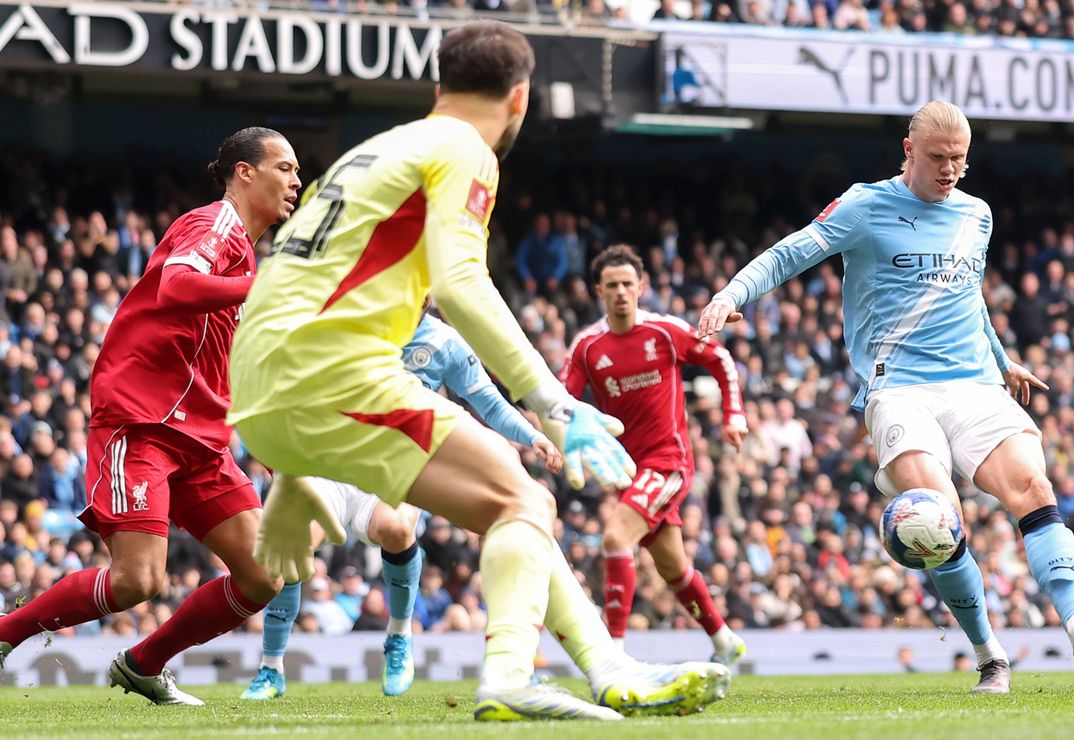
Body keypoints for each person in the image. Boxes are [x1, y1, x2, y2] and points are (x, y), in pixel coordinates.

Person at [227, 21, 728, 722]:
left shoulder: (373, 151)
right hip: (326, 371)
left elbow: (294, 282)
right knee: (524, 505)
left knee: (515, 499)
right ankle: (509, 676)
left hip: (257, 381)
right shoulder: (464, 147)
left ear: (439, 90)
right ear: (519, 99)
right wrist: (552, 404)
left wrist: (288, 470)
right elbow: (459, 280)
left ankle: (610, 667)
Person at [698, 100, 1074, 694]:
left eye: (959, 158)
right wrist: (732, 294)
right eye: (938, 157)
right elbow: (791, 251)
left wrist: (1003, 360)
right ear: (909, 151)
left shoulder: (976, 215)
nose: (950, 169)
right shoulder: (865, 206)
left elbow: (969, 295)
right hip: (901, 391)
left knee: (1034, 488)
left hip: (974, 383)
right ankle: (990, 657)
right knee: (938, 515)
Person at [0, 128, 302, 706]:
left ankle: (143, 664)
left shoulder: (245, 257)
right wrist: (257, 290)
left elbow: (218, 354)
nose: (295, 180)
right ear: (244, 172)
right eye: (284, 167)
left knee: (264, 575)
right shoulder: (213, 226)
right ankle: (5, 634)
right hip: (142, 421)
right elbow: (175, 286)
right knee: (138, 580)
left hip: (202, 437)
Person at [242, 310, 563, 700]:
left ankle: (398, 637)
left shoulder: (443, 342)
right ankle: (271, 669)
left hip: (396, 469)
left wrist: (532, 436)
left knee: (395, 528)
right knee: (289, 544)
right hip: (330, 463)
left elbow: (489, 403)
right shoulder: (346, 317)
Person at [560, 245, 747, 666]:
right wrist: (550, 438)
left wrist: (732, 414)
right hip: (627, 470)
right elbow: (561, 397)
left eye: (628, 283)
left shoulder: (664, 331)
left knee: (614, 538)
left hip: (669, 461)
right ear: (599, 292)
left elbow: (719, 358)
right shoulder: (588, 346)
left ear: (641, 287)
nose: (622, 292)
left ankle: (615, 656)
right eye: (612, 286)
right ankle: (723, 639)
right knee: (673, 568)